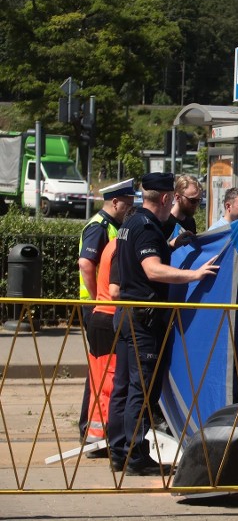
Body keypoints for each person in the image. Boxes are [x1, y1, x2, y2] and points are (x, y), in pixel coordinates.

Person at [108, 172, 218, 476]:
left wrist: (170, 245)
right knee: (141, 389)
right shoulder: (146, 228)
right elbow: (153, 270)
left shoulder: (132, 222)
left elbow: (141, 260)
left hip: (127, 312)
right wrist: (194, 275)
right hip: (143, 317)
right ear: (168, 198)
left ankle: (119, 451)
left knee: (123, 387)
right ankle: (136, 457)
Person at [77, 178, 135, 454]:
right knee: (103, 375)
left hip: (100, 306)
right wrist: (95, 295)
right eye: (128, 203)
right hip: (100, 307)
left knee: (99, 375)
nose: (130, 208)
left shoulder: (114, 228)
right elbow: (86, 263)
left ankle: (93, 431)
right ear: (115, 202)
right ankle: (93, 432)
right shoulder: (100, 228)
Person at [162, 174, 201, 243]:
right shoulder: (164, 222)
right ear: (177, 197)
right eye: (192, 201)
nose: (196, 205)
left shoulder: (191, 221)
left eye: (198, 200)